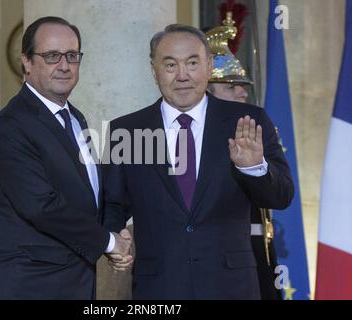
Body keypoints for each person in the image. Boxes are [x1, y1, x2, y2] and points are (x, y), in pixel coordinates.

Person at [102, 24, 294, 299]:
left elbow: (282, 196)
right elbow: (112, 205)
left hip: (232, 287)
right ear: (153, 69)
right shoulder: (128, 131)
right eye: (170, 65)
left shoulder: (248, 121)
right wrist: (114, 238)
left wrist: (253, 168)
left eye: (192, 63)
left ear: (209, 64)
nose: (182, 75)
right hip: (160, 288)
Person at [0, 16, 132, 300]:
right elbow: (41, 206)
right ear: (26, 62)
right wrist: (109, 242)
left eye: (72, 56)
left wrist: (113, 229)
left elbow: (89, 195)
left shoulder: (75, 118)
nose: (64, 65)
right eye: (51, 56)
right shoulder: (10, 125)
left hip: (73, 282)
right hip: (27, 286)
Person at [206, 20, 282, 300]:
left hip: (255, 258)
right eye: (231, 85)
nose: (243, 91)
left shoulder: (259, 128)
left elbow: (281, 195)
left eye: (244, 85)